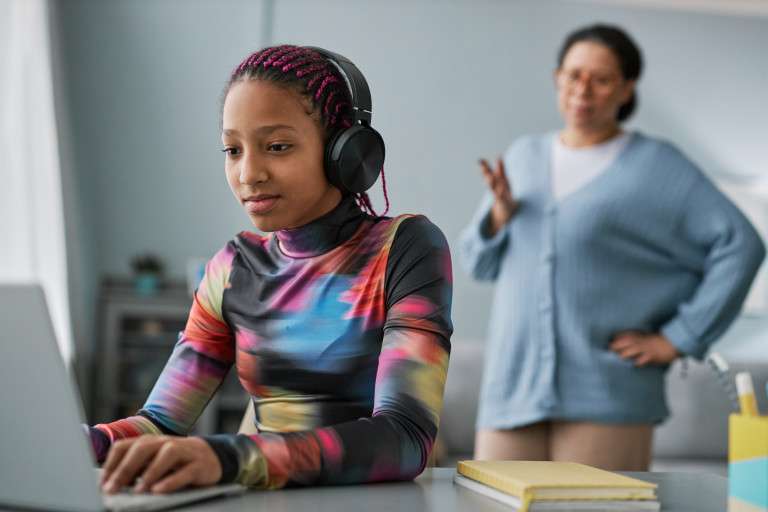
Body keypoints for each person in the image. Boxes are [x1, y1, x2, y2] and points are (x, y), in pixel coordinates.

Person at [88, 45, 453, 493]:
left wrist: (230, 458)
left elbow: (406, 438)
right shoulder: (232, 268)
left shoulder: (407, 247)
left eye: (277, 147)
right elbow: (160, 421)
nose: (248, 173)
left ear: (345, 153)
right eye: (232, 149)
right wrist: (83, 443)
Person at [460, 24, 765, 470]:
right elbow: (477, 264)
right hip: (511, 389)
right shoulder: (523, 156)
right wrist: (500, 216)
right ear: (557, 79)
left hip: (606, 393)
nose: (583, 89)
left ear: (626, 90)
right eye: (572, 75)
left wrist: (677, 338)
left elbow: (742, 244)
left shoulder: (657, 165)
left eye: (600, 79)